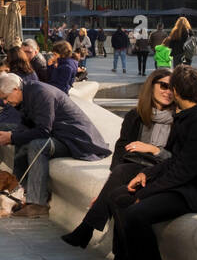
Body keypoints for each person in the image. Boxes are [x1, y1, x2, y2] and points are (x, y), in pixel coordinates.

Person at [116, 66, 197, 260]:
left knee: (135, 213)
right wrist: (147, 175)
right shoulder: (193, 115)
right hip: (190, 185)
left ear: (177, 92)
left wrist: (144, 194)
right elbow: (177, 161)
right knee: (120, 198)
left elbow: (182, 171)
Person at [62, 69, 176, 248]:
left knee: (121, 180)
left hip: (162, 169)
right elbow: (121, 150)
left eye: (173, 88)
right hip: (133, 168)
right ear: (151, 86)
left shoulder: (179, 119)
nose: (168, 91)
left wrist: (154, 150)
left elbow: (180, 158)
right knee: (119, 194)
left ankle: (87, 228)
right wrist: (105, 190)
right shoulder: (135, 116)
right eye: (164, 85)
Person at [0, 72, 111, 218]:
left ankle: (38, 204)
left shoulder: (41, 94)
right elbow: (27, 126)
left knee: (37, 146)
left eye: (5, 98)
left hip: (75, 140)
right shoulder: (26, 95)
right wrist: (11, 136)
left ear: (15, 89)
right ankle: (19, 194)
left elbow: (43, 131)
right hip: (60, 136)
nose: (5, 102)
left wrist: (12, 137)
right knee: (21, 141)